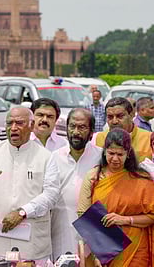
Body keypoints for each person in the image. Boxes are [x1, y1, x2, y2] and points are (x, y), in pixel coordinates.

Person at [0, 106, 59, 261]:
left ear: (31, 126)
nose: (13, 128)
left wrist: (23, 212)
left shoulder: (45, 157)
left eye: (19, 123)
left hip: (31, 243)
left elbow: (51, 195)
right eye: (9, 123)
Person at [78, 128, 154, 267]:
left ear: (128, 154)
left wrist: (125, 220)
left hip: (136, 249)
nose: (115, 159)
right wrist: (99, 253)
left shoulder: (142, 179)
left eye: (120, 154)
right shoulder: (94, 177)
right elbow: (83, 213)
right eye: (111, 153)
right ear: (104, 151)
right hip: (100, 248)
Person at [51, 108, 101, 259]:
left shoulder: (101, 157)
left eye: (82, 127)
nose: (76, 132)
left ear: (92, 132)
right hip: (60, 228)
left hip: (94, 232)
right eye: (72, 126)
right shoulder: (54, 158)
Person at [93, 97, 152, 162]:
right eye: (110, 117)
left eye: (120, 116)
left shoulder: (149, 139)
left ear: (132, 115)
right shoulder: (98, 138)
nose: (114, 121)